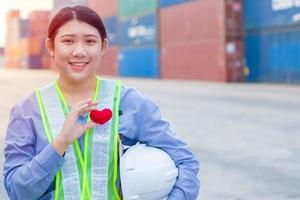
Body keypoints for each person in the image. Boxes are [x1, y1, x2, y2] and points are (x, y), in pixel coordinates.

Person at [3, 6, 200, 200]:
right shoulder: (27, 111)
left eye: (90, 41)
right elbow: (17, 192)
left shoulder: (130, 102)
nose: (79, 51)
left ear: (103, 47)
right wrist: (60, 143)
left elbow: (185, 162)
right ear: (51, 47)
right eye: (68, 41)